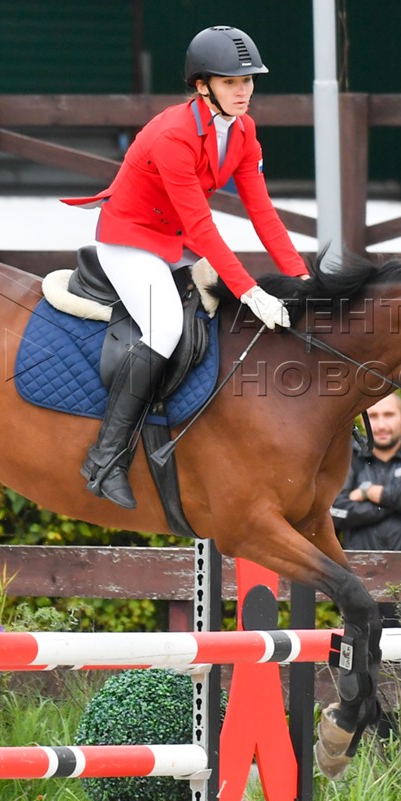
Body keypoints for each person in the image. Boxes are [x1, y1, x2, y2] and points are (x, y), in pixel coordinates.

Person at [63, 25, 311, 508]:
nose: (243, 91)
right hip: (130, 240)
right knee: (165, 328)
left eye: (248, 81)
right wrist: (251, 291)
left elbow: (262, 212)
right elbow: (201, 225)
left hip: (172, 241)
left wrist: (300, 276)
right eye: (230, 82)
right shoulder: (173, 134)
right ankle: (105, 458)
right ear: (202, 86)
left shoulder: (244, 131)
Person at [331, 393, 401, 552]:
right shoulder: (346, 457)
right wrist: (397, 504)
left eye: (388, 415)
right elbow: (335, 512)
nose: (381, 425)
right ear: (363, 421)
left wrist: (368, 492)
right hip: (358, 565)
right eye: (373, 416)